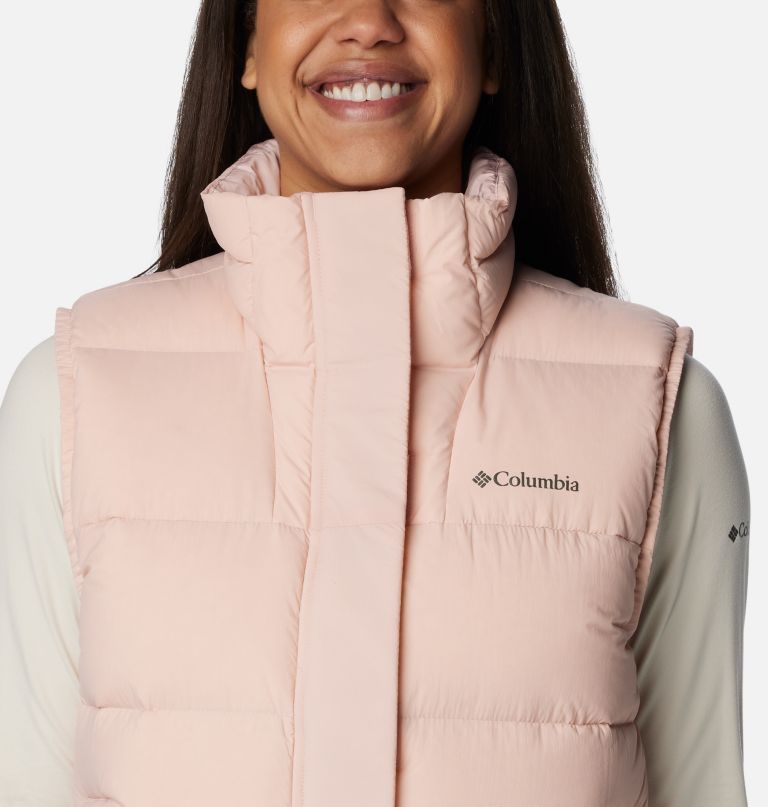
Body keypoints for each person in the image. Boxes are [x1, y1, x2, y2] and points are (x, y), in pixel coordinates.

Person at [0, 1, 750, 805]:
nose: (367, 22)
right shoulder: (74, 396)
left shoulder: (656, 408)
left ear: (495, 43)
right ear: (245, 42)